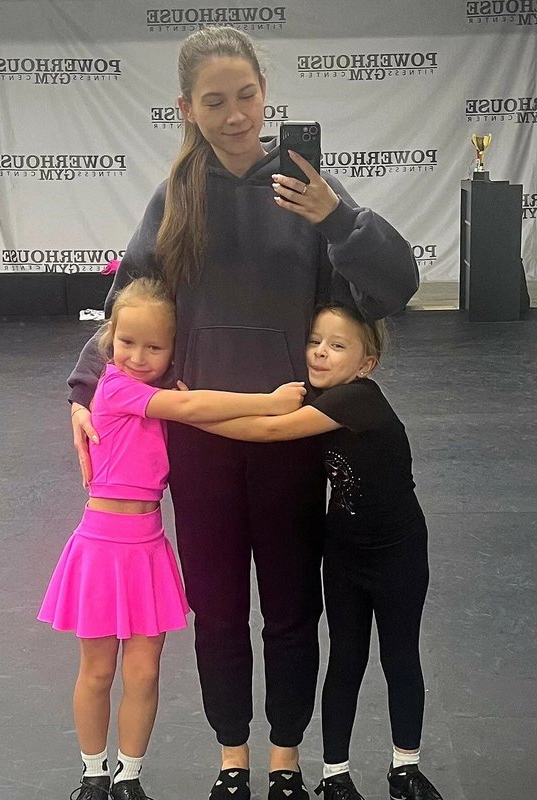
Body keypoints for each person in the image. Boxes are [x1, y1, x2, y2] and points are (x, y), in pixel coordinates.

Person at [68, 25, 419, 800]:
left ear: (265, 94)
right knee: (219, 614)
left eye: (246, 96)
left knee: (290, 612)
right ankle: (233, 759)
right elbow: (127, 303)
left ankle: (285, 760)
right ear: (187, 109)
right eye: (215, 102)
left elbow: (395, 287)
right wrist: (84, 390)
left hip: (289, 439)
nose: (234, 115)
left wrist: (337, 219)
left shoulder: (305, 189)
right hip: (199, 443)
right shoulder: (175, 199)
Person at [40, 277, 306, 800]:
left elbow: (196, 410)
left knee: (144, 673)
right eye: (126, 343)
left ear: (173, 350)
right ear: (109, 340)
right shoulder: (115, 387)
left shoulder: (161, 395)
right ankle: (93, 774)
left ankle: (128, 776)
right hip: (102, 548)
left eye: (154, 347)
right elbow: (192, 409)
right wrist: (271, 402)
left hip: (147, 547)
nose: (138, 357)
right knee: (97, 671)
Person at [193, 304, 443, 800]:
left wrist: (191, 414)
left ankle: (406, 768)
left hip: (398, 553)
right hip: (345, 553)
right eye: (314, 341)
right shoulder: (316, 397)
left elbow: (268, 429)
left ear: (366, 364)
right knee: (345, 658)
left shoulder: (357, 399)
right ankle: (334, 774)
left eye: (337, 345)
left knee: (400, 656)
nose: (320, 353)